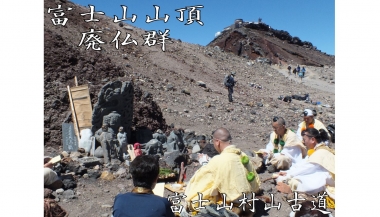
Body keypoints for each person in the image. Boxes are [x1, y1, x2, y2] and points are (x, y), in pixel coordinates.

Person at [184, 128, 260, 216]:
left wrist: (204, 163)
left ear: (217, 142)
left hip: (234, 200)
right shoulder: (242, 155)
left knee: (201, 194)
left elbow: (202, 180)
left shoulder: (218, 160)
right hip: (249, 197)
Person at [275, 128, 335, 200]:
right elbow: (303, 164)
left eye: (304, 139)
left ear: (312, 140)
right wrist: (287, 172)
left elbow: (307, 167)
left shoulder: (320, 152)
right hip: (323, 175)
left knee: (298, 181)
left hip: (330, 179)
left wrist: (288, 175)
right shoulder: (317, 150)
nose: (303, 142)